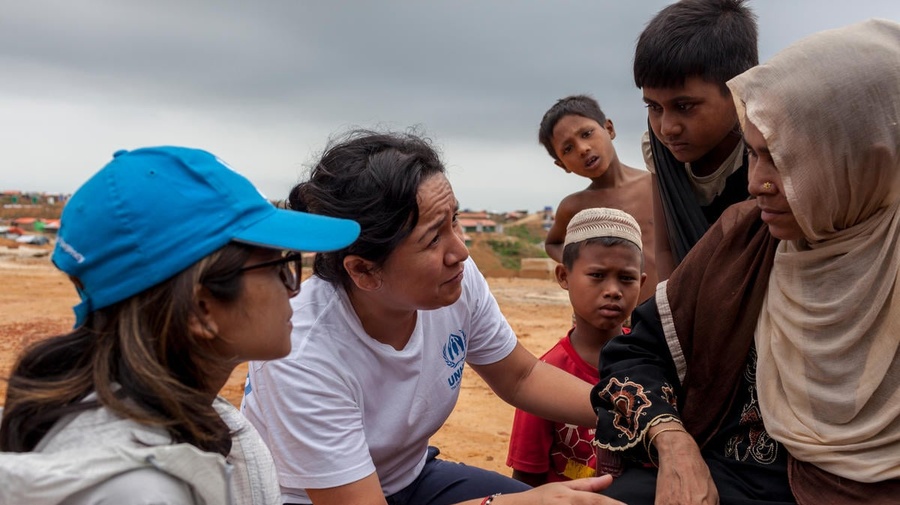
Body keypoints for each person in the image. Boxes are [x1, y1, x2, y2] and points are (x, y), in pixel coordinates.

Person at [591, 19, 900, 504]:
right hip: (720, 475)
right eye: (753, 156)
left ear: (860, 155)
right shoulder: (746, 234)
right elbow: (636, 352)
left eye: (782, 158)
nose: (756, 183)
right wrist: (675, 445)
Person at [241, 130, 624, 505]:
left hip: (409, 476)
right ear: (364, 271)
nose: (460, 250)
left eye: (453, 220)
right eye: (432, 239)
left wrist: (628, 412)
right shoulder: (303, 354)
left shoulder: (453, 279)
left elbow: (521, 377)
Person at [0, 146, 361, 505]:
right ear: (200, 308)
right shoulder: (140, 492)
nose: (293, 288)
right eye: (279, 267)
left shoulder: (199, 421)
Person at [507, 208, 646, 486]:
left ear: (642, 283)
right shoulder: (544, 378)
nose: (613, 290)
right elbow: (526, 478)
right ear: (563, 277)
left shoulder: (651, 363)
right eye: (597, 275)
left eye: (626, 278)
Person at [635, 0, 758, 279]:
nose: (667, 129)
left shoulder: (768, 149)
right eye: (654, 107)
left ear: (739, 88)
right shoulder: (659, 152)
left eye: (685, 106)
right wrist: (671, 315)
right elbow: (666, 250)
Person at [539, 95, 657, 302]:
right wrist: (581, 264)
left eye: (586, 133)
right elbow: (553, 243)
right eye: (568, 149)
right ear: (562, 165)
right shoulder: (575, 206)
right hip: (616, 317)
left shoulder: (655, 184)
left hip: (671, 307)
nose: (582, 149)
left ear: (609, 129)